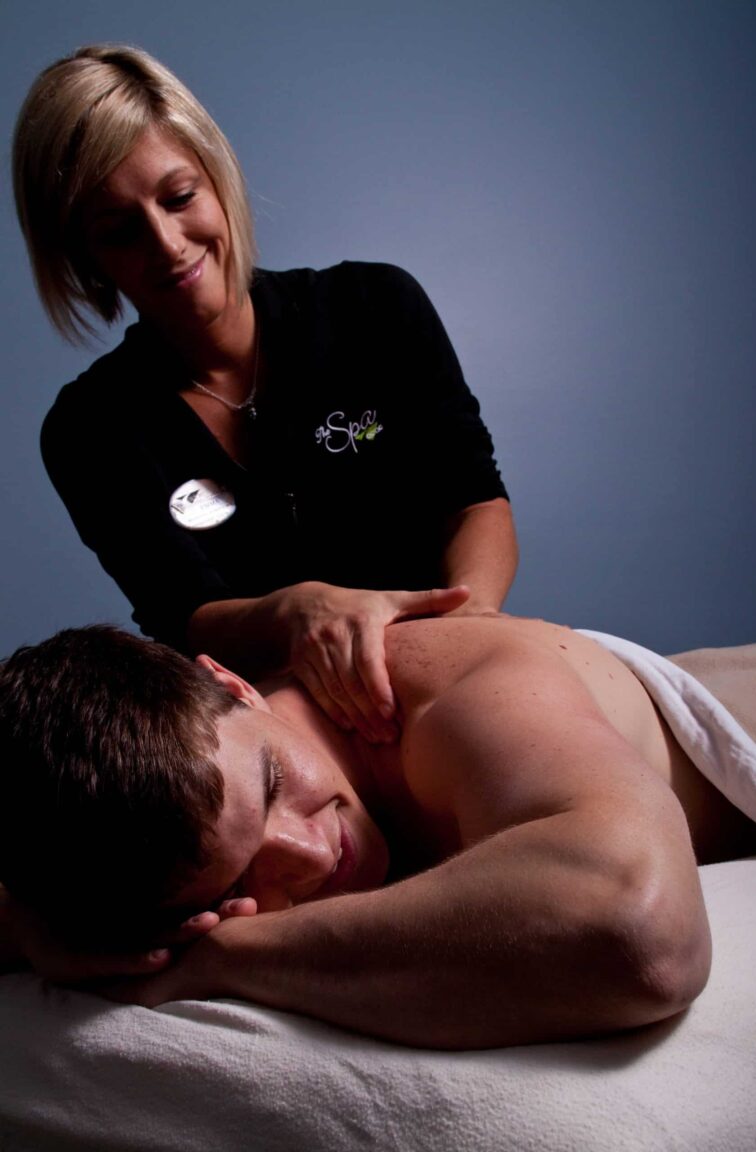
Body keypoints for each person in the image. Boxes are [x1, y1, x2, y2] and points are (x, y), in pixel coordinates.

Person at [12, 44, 516, 744]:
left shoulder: (374, 307)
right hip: (285, 733)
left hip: (452, 679)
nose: (168, 244)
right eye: (120, 231)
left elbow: (476, 500)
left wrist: (461, 642)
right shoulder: (88, 428)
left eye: (179, 197)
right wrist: (295, 612)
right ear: (83, 257)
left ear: (217, 178)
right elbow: (182, 615)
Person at [1, 614, 756, 1050]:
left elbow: (641, 941)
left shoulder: (442, 698)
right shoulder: (104, 847)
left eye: (271, 787)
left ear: (236, 685)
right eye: (238, 887)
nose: (308, 857)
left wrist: (222, 957)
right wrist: (33, 929)